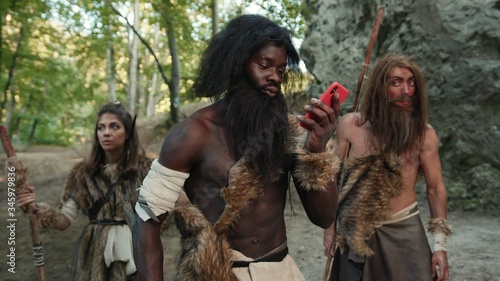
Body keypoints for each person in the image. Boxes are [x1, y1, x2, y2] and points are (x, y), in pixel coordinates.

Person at [132, 14, 340, 280]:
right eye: (264, 65)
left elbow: (324, 217)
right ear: (237, 63)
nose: (274, 77)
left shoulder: (287, 133)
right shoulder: (193, 134)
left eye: (280, 70)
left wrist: (317, 150)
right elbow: (146, 220)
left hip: (281, 270)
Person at [324, 54, 451, 281]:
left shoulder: (424, 134)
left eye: (411, 82)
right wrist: (330, 228)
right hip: (354, 231)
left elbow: (436, 189)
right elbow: (334, 179)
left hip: (404, 229)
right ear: (379, 88)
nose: (406, 90)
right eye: (396, 82)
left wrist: (440, 246)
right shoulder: (351, 125)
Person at [17, 102, 152, 280]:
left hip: (136, 252)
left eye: (114, 127)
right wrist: (35, 209)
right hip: (95, 256)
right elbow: (63, 220)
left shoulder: (145, 170)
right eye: (101, 128)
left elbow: (165, 210)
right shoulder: (83, 173)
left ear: (127, 133)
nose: (106, 133)